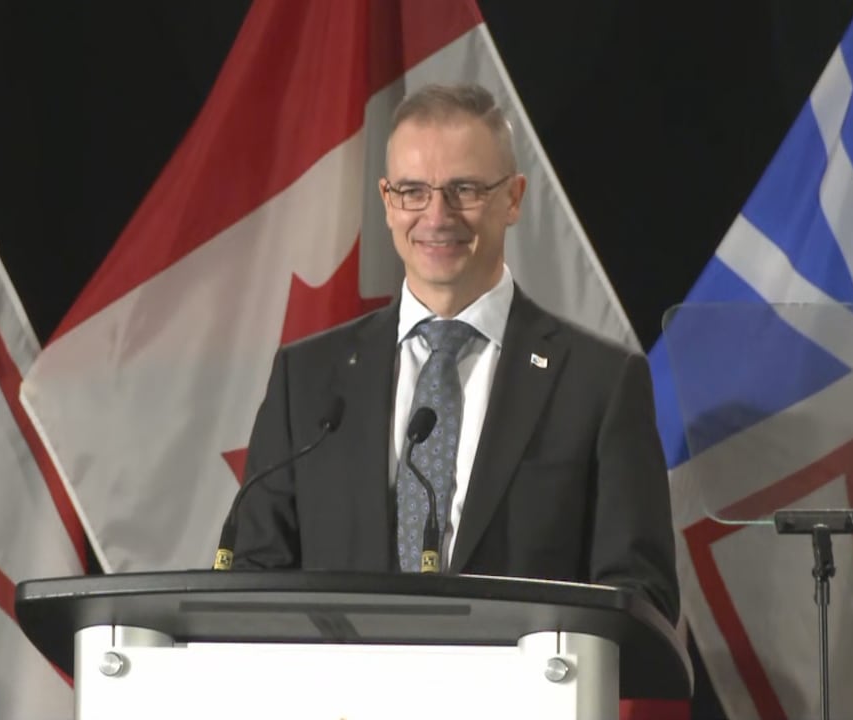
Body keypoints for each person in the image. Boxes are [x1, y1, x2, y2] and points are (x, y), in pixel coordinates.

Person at [231, 83, 678, 623]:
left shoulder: (599, 384)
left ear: (513, 197)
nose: (436, 216)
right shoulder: (304, 380)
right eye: (413, 191)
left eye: (464, 189)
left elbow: (640, 596)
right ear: (387, 201)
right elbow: (252, 579)